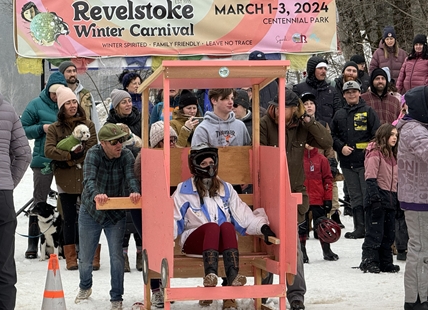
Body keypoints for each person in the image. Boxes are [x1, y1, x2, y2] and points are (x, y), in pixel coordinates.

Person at [173, 143, 276, 310]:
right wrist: (165, 240)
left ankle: (233, 274)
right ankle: (210, 274)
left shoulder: (225, 188)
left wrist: (262, 228)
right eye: (204, 164)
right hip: (195, 241)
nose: (209, 167)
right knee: (213, 227)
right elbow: (173, 217)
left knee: (227, 226)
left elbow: (243, 214)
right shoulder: (184, 190)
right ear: (196, 166)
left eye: (211, 162)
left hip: (219, 244)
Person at [260, 88, 333, 310]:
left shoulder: (302, 125)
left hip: (293, 193)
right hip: (268, 193)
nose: (279, 111)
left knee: (293, 246)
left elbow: (326, 141)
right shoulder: (264, 123)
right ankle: (264, 291)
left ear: (295, 109)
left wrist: (309, 121)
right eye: (277, 106)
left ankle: (296, 295)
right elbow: (260, 156)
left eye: (286, 107)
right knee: (265, 243)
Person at [74, 123, 140, 310]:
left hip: (116, 211)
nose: (119, 145)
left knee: (116, 256)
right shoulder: (93, 154)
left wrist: (134, 192)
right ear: (103, 143)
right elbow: (88, 180)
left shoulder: (126, 155)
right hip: (91, 210)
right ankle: (85, 286)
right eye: (114, 142)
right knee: (86, 257)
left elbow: (131, 177)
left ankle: (116, 296)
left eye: (120, 141)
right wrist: (96, 194)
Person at [44, 86, 97, 270]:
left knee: (91, 216)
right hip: (65, 178)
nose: (73, 105)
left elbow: (92, 148)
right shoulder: (54, 128)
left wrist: (76, 157)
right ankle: (71, 257)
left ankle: (92, 255)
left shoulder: (88, 125)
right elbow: (49, 150)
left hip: (86, 177)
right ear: (61, 106)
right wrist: (68, 157)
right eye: (68, 103)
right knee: (68, 217)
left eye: (74, 101)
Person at [20, 71, 67, 259]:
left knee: (67, 200)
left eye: (59, 92)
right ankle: (33, 242)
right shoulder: (35, 104)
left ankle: (66, 243)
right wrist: (41, 128)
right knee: (39, 201)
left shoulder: (68, 103)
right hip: (42, 160)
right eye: (53, 92)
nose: (56, 96)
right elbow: (22, 129)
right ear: (47, 89)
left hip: (64, 160)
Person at [331, 81, 380, 239]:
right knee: (355, 195)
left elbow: (377, 134)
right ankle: (359, 228)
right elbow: (332, 135)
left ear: (360, 93)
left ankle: (370, 227)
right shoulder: (339, 114)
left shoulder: (368, 111)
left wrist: (369, 149)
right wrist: (340, 147)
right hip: (347, 163)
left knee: (367, 194)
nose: (351, 94)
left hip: (366, 162)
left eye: (354, 91)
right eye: (348, 92)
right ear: (344, 95)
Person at [395, 85, 428, 309]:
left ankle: (421, 295)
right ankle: (415, 299)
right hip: (418, 199)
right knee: (419, 249)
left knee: (423, 248)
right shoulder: (414, 130)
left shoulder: (417, 127)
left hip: (420, 197)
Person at [0, 93, 31, 310]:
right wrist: (9, 182)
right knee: (4, 264)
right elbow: (24, 155)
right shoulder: (8, 109)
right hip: (2, 195)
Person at [359, 123, 399, 274]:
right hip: (377, 196)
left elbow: (395, 179)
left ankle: (385, 262)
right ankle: (369, 260)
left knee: (389, 233)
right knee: (375, 232)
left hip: (390, 196)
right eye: (392, 134)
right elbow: (370, 176)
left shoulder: (392, 155)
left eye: (396, 135)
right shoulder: (375, 152)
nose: (395, 138)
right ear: (384, 135)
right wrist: (375, 198)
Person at [300, 92, 344, 229]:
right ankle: (306, 221)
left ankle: (333, 212)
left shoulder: (323, 124)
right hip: (306, 164)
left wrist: (331, 162)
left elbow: (329, 146)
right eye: (306, 104)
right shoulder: (299, 126)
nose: (309, 106)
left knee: (330, 183)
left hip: (322, 162)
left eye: (311, 104)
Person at [303, 143, 337, 262]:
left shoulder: (322, 160)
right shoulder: (298, 159)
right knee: (301, 227)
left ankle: (327, 251)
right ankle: (302, 252)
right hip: (303, 199)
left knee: (323, 226)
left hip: (318, 199)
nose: (309, 145)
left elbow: (328, 179)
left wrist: (328, 198)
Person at [293, 56, 341, 125]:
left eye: (325, 68)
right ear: (312, 70)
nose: (324, 71)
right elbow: (294, 113)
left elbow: (338, 114)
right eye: (320, 68)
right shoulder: (299, 89)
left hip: (327, 133)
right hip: (305, 132)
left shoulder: (332, 91)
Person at [58, 61, 101, 133]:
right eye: (69, 71)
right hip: (64, 136)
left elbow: (94, 119)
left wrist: (97, 139)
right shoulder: (58, 94)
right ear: (62, 74)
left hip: (86, 137)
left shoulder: (86, 95)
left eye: (74, 71)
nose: (72, 74)